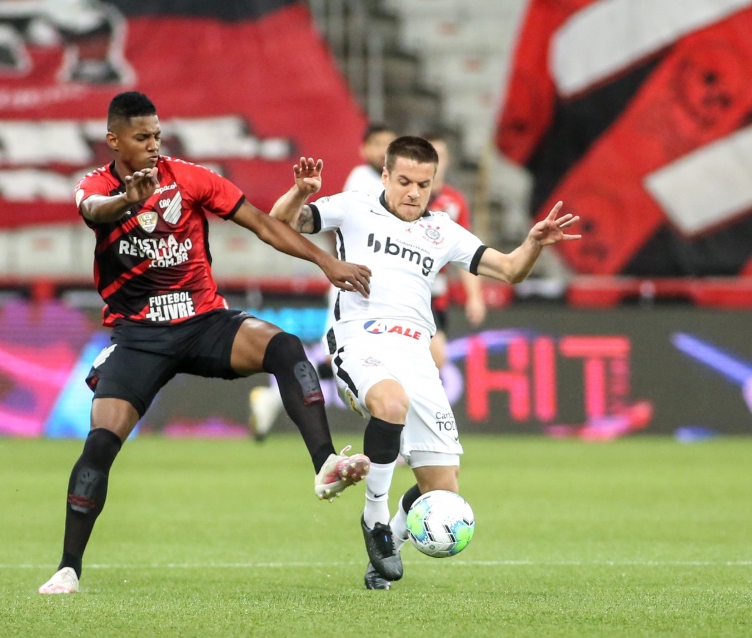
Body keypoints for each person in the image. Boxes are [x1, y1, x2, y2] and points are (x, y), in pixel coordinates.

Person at [38, 91, 374, 595]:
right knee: (101, 442)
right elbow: (97, 210)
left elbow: (263, 224)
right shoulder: (95, 187)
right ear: (114, 140)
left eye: (157, 135)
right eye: (141, 137)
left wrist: (326, 262)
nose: (154, 145)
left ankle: (325, 463)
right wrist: (130, 199)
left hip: (203, 321)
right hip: (139, 336)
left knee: (284, 348)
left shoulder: (190, 178)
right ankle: (68, 568)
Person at [270, 138, 580, 590]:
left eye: (423, 184)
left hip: (417, 353)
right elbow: (279, 223)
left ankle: (388, 547)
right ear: (384, 176)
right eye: (404, 182)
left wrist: (532, 242)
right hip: (361, 338)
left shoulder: (444, 230)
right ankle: (375, 520)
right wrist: (301, 192)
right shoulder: (353, 207)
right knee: (390, 404)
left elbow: (510, 270)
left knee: (442, 492)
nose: (413, 192)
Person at [247, 123, 397, 439]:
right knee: (340, 359)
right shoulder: (363, 180)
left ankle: (272, 400)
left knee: (371, 359)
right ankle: (274, 398)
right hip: (355, 286)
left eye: (390, 145)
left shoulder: (394, 185)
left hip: (384, 289)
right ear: (364, 149)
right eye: (378, 144)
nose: (384, 152)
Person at [422, 130, 486, 369]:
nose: (437, 161)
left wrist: (475, 297)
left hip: (436, 293)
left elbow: (466, 254)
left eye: (441, 155)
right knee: (434, 355)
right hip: (406, 286)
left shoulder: (454, 202)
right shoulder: (405, 195)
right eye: (431, 154)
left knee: (434, 360)